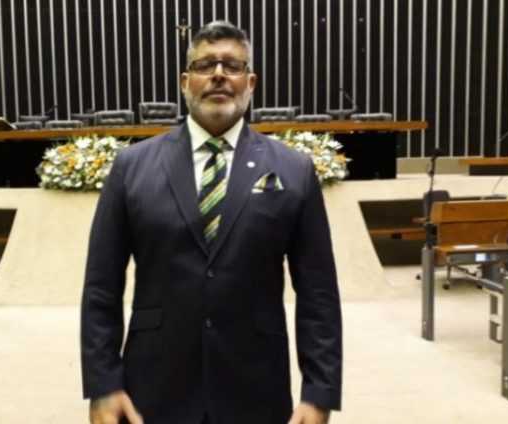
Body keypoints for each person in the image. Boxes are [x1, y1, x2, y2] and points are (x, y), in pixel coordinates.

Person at [81, 21, 342, 424]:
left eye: (232, 66)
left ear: (250, 83)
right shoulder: (131, 167)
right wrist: (103, 385)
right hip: (153, 386)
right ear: (185, 82)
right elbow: (101, 287)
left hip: (256, 386)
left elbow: (318, 292)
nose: (219, 74)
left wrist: (319, 393)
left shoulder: (293, 169)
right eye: (205, 65)